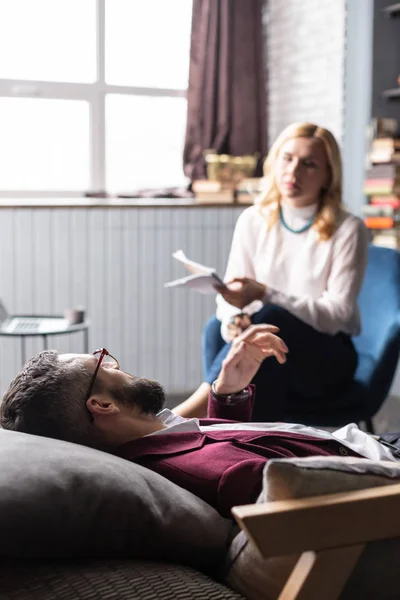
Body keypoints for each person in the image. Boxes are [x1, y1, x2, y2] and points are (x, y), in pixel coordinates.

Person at [0, 325, 394, 519]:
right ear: (102, 405)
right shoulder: (222, 474)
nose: (120, 366)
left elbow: (204, 442)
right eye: (105, 363)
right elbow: (336, 500)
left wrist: (227, 392)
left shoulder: (153, 446)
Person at [173, 122, 369, 421]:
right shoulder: (253, 219)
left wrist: (266, 294)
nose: (294, 172)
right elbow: (231, 295)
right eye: (287, 158)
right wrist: (235, 320)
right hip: (272, 347)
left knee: (273, 318)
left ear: (328, 175)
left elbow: (336, 316)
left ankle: (191, 414)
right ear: (275, 162)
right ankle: (223, 429)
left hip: (326, 358)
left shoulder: (348, 229)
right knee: (217, 328)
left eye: (309, 164)